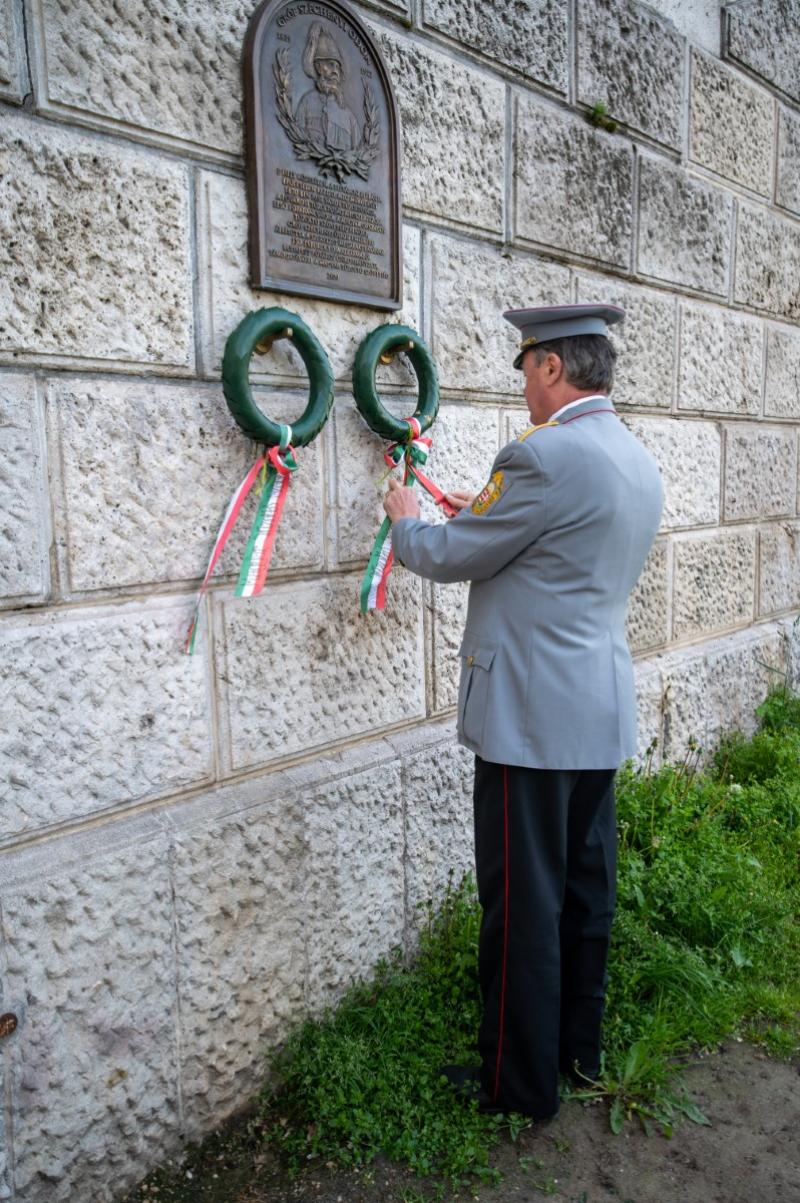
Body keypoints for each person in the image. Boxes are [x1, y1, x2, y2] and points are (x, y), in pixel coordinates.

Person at [384, 304, 664, 1120]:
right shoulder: (631, 455)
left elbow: (450, 555)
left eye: (526, 368)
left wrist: (407, 524)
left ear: (551, 366)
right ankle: (577, 1053)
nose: (525, 388)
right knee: (584, 893)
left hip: (530, 722)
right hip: (596, 712)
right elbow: (551, 551)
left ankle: (516, 1084)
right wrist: (481, 511)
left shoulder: (541, 455)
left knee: (522, 906)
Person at [295, 23, 360, 152]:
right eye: (330, 64)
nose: (335, 71)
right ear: (318, 67)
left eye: (337, 67)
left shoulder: (350, 118)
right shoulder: (306, 103)